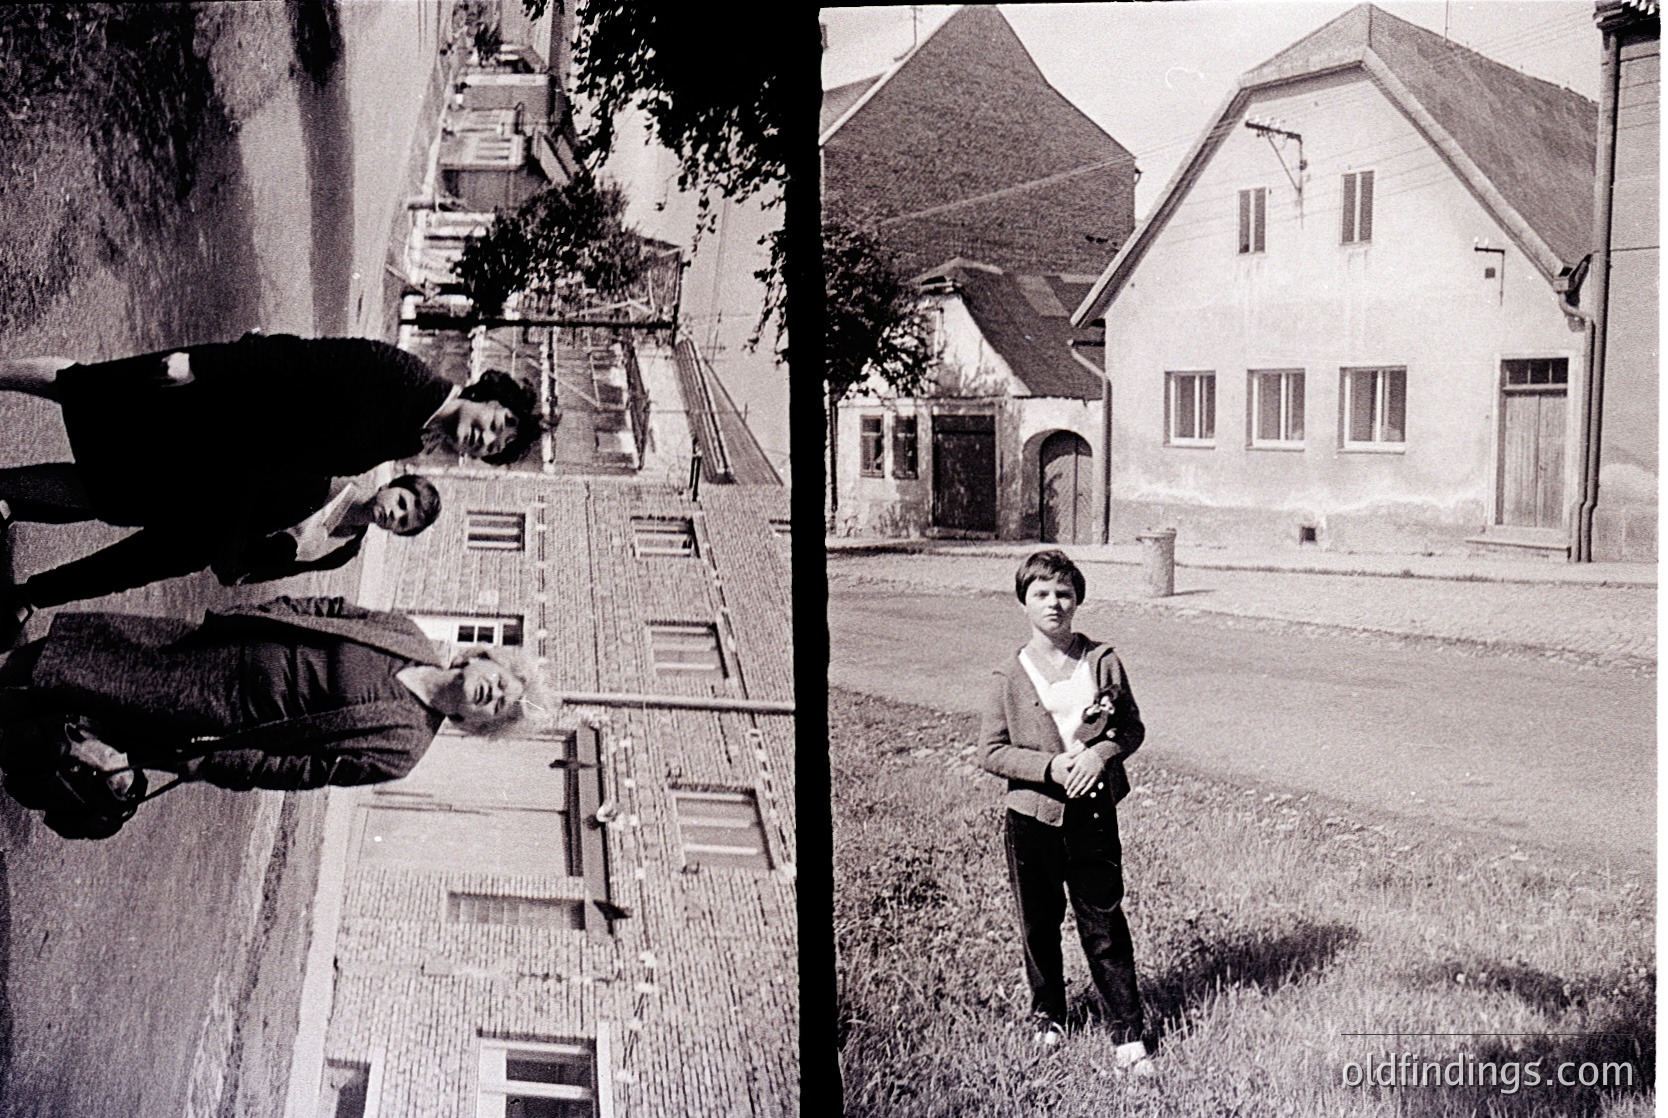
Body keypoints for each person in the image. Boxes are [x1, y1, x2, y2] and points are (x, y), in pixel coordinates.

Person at [0, 595, 536, 797]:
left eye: (499, 708)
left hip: (217, 709)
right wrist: (266, 613)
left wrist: (214, 762)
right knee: (86, 650)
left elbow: (298, 769)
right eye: (504, 684)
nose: (496, 696)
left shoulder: (402, 752)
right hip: (219, 647)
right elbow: (329, 610)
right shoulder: (406, 634)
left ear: (475, 723)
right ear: (481, 658)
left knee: (80, 701)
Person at [0, 333, 541, 529]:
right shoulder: (400, 373)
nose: (487, 439)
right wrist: (206, 367)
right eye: (497, 423)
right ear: (485, 393)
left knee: (105, 491)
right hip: (216, 401)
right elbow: (296, 357)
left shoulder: (406, 441)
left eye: (495, 447)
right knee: (86, 389)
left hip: (216, 460)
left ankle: (3, 488)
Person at [979, 549, 1154, 1076]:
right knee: (1038, 923)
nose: (1054, 604)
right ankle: (1049, 1016)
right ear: (1024, 603)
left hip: (1093, 816)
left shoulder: (1102, 660)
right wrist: (1052, 767)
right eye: (1042, 594)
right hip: (1031, 817)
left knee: (1103, 922)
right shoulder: (1008, 674)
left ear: (1077, 599)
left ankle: (1126, 1032)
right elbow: (991, 751)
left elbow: (1130, 728)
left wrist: (1101, 754)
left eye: (1064, 593)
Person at [0, 474, 442, 631]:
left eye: (404, 522)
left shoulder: (345, 549)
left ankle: (31, 596)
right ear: (391, 486)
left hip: (209, 549)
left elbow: (270, 570)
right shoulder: (333, 479)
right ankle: (15, 501)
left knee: (118, 570)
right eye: (401, 503)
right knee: (105, 500)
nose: (394, 515)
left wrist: (244, 571)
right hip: (205, 500)